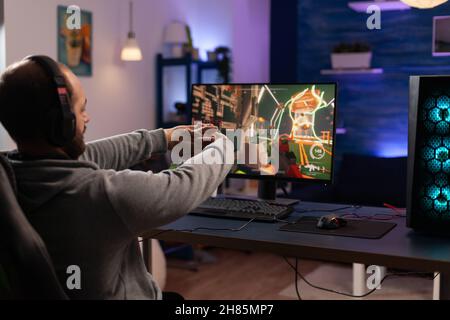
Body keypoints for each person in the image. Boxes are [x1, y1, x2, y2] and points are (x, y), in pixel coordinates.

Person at [0, 55, 233, 300]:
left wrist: (162, 138)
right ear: (61, 124)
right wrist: (225, 145)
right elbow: (182, 186)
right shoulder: (101, 194)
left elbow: (92, 153)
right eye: (82, 110)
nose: (87, 118)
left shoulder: (9, 176)